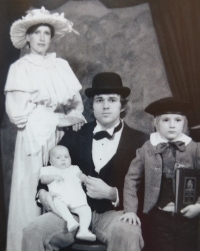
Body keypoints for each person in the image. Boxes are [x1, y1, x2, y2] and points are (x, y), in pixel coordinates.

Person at [22, 72, 148, 251]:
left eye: (112, 100)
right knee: (33, 231)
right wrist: (42, 194)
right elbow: (49, 170)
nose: (105, 106)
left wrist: (114, 194)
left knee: (128, 232)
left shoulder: (140, 141)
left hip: (114, 215)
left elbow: (149, 191)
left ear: (122, 106)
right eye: (99, 100)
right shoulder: (75, 135)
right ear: (92, 106)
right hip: (72, 213)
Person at [4, 7, 85, 251]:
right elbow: (19, 114)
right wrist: (58, 120)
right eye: (36, 32)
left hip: (61, 136)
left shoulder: (60, 65)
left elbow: (75, 104)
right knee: (32, 190)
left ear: (51, 38)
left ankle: (59, 241)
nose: (41, 38)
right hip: (34, 135)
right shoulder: (20, 68)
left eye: (46, 33)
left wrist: (73, 118)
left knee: (62, 186)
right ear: (27, 38)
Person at [121, 97, 200, 251]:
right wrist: (130, 210)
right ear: (155, 123)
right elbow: (131, 179)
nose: (172, 125)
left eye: (177, 120)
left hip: (189, 218)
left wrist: (199, 205)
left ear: (184, 123)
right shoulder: (147, 148)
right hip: (158, 218)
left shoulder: (195, 149)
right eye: (165, 120)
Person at [39, 145, 96, 241]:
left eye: (66, 157)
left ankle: (83, 230)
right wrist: (52, 177)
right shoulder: (48, 170)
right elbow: (42, 180)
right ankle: (70, 221)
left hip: (76, 199)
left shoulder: (74, 168)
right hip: (60, 198)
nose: (63, 160)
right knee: (57, 202)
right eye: (58, 157)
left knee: (86, 210)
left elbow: (81, 175)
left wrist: (86, 179)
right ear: (51, 161)